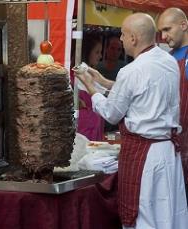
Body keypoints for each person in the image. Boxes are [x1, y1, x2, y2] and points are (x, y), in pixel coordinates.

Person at [74, 13, 188, 229]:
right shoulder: (169, 61)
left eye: (124, 35)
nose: (122, 39)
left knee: (145, 214)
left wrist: (90, 84)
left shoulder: (131, 71)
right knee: (168, 213)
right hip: (168, 151)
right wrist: (104, 81)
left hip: (145, 155)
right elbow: (141, 91)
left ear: (134, 38)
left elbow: (111, 113)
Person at [157, 7, 188, 194]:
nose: (163, 36)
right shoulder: (166, 59)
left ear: (183, 25)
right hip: (175, 142)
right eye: (161, 31)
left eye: (167, 29)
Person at [75, 33, 104, 141]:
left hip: (93, 130)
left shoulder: (93, 75)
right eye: (97, 52)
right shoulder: (76, 76)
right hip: (84, 132)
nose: (100, 56)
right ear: (87, 52)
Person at [97, 36, 126, 132]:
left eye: (118, 50)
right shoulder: (97, 66)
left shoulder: (125, 68)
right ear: (107, 49)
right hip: (99, 108)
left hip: (117, 111)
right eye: (112, 48)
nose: (115, 52)